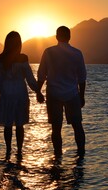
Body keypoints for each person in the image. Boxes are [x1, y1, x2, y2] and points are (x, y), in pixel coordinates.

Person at [37, 26, 87, 158]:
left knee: (56, 128)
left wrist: (38, 92)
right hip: (72, 93)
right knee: (77, 126)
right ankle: (81, 155)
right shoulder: (77, 53)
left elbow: (41, 74)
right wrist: (82, 96)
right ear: (69, 37)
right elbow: (82, 77)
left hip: (53, 93)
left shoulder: (48, 52)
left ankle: (57, 156)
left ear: (56, 37)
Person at [0, 31, 42, 161]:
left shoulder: (1, 58)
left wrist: (3, 89)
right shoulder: (23, 58)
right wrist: (38, 91)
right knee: (20, 124)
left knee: (8, 124)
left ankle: (8, 150)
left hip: (6, 94)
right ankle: (20, 152)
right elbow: (30, 79)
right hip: (20, 93)